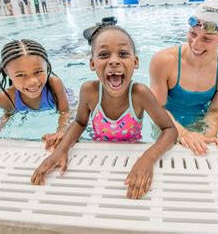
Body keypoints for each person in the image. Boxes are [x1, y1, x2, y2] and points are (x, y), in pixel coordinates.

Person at [31, 26, 178, 200]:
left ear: (135, 62)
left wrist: (148, 159)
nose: (114, 61)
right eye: (104, 55)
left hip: (130, 150)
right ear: (92, 64)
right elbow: (80, 122)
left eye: (123, 54)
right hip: (98, 144)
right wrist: (61, 149)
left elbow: (169, 130)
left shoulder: (140, 93)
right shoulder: (89, 91)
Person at [150, 0, 218, 155]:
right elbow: (156, 108)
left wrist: (208, 138)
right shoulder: (164, 60)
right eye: (192, 33)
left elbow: (215, 110)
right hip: (166, 125)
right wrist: (183, 134)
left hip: (201, 124)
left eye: (207, 38)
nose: (195, 44)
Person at [0, 40, 74, 149]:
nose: (32, 81)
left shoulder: (54, 84)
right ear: (7, 73)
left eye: (38, 72)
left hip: (68, 99)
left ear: (46, 66)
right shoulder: (5, 98)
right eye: (20, 75)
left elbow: (65, 112)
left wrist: (61, 131)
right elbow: (7, 115)